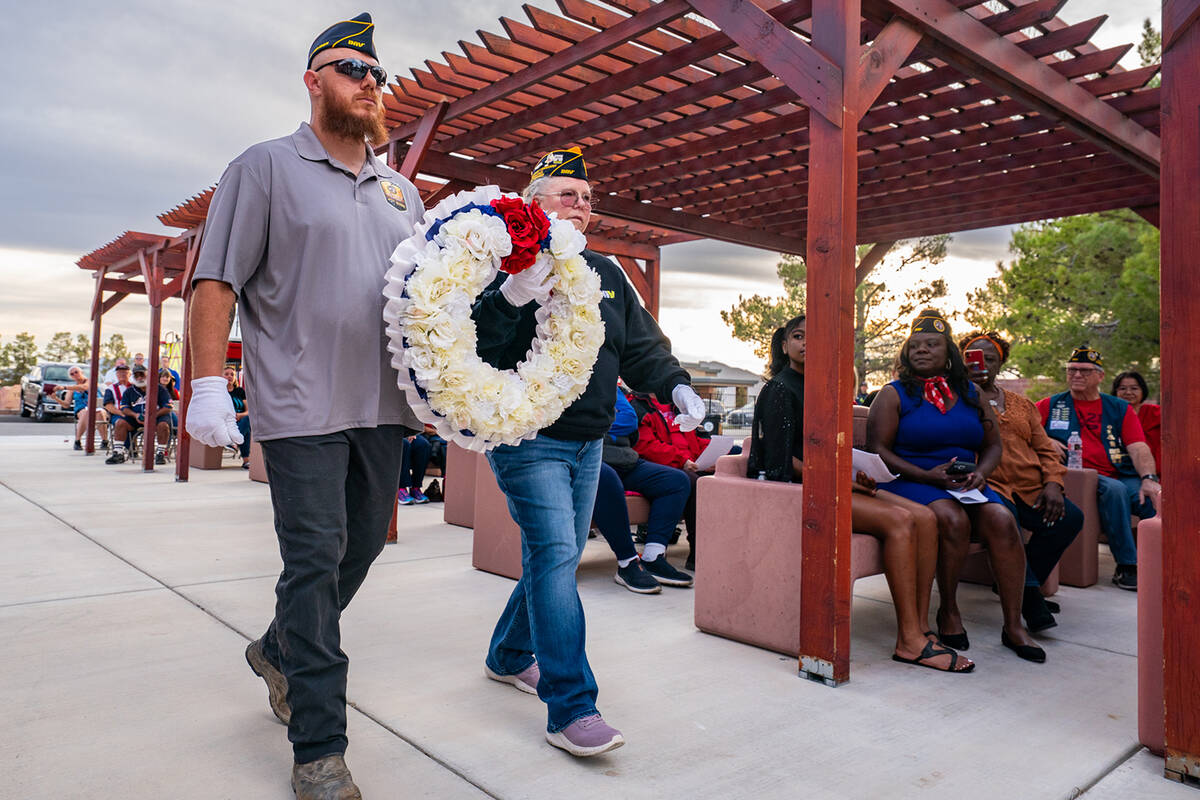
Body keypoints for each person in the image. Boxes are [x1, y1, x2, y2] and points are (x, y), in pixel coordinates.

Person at [185, 13, 424, 797]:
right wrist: (208, 382)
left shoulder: (403, 192)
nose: (368, 83)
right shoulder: (264, 167)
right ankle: (320, 748)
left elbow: (429, 303)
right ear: (314, 80)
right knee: (314, 562)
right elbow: (216, 279)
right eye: (351, 68)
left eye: (376, 74)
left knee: (362, 549)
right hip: (299, 403)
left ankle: (277, 651)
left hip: (382, 405)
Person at [472, 146, 706, 757]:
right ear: (533, 204)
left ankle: (507, 654)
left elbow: (642, 347)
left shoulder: (606, 271)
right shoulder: (500, 262)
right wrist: (512, 295)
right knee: (556, 555)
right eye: (567, 194)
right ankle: (571, 705)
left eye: (588, 198)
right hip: (528, 436)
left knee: (560, 552)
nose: (582, 206)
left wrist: (675, 382)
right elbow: (475, 342)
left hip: (591, 440)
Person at [751, 315, 971, 673]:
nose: (807, 342)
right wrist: (842, 483)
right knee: (900, 521)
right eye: (798, 336)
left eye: (816, 336)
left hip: (833, 484)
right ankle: (909, 642)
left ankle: (921, 626)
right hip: (798, 489)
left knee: (926, 517)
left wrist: (857, 475)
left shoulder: (826, 388)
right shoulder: (780, 388)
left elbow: (829, 450)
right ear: (785, 344)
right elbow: (781, 462)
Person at [868, 310, 1044, 663]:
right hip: (912, 480)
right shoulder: (893, 394)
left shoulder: (971, 392)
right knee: (952, 519)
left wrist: (982, 472)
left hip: (966, 482)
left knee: (1002, 520)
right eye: (914, 346)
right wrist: (928, 475)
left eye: (931, 344)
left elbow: (994, 445)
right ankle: (948, 610)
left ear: (948, 353)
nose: (921, 350)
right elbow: (878, 451)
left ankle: (1014, 626)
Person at [961, 331, 1083, 631]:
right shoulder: (957, 399)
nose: (982, 364)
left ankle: (1018, 584)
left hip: (1031, 488)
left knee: (1071, 519)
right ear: (963, 363)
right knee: (1006, 518)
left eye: (991, 358)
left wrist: (1054, 483)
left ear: (1001, 365)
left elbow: (1044, 449)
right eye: (974, 358)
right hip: (989, 486)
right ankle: (1029, 599)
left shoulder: (1022, 405)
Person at [1036, 347, 1160, 591]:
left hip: (1121, 472)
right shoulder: (1049, 405)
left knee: (1153, 499)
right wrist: (1044, 439)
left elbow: (1138, 447)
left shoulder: (1118, 407)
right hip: (1077, 475)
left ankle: (1162, 562)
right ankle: (1127, 565)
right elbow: (1022, 431)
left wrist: (1149, 477)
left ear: (1100, 376)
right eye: (1072, 370)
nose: (1077, 375)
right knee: (1115, 491)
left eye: (1085, 370)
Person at [597, 391, 693, 593]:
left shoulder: (610, 384)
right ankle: (627, 563)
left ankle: (653, 557)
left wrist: (597, 423)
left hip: (625, 459)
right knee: (607, 478)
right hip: (592, 460)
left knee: (676, 480)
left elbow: (630, 420)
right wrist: (605, 420)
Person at [110, 365, 173, 465]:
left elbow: (168, 406)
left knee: (163, 425)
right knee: (120, 422)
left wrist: (153, 415)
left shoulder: (159, 389)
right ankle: (118, 453)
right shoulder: (130, 391)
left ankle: (160, 453)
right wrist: (135, 415)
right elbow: (124, 408)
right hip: (136, 418)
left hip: (156, 418)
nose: (139, 378)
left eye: (142, 375)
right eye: (136, 375)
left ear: (147, 375)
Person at [1112, 370, 1161, 474]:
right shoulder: (1109, 414)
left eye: (1134, 388)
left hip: (1155, 471)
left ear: (1143, 391)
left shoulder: (1157, 413)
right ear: (1115, 392)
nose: (1128, 392)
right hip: (1119, 471)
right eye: (1122, 388)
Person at [60, 366, 107, 451]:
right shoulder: (72, 389)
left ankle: (104, 441)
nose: (75, 374)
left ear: (82, 372)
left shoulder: (91, 381)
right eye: (72, 374)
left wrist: (64, 387)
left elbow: (84, 387)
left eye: (76, 372)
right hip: (81, 408)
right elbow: (66, 404)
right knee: (85, 412)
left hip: (96, 405)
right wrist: (55, 398)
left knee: (100, 413)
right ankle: (77, 440)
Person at [224, 365, 251, 469]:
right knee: (247, 429)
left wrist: (240, 415)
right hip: (226, 421)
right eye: (226, 374)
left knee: (247, 421)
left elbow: (248, 411)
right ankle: (246, 460)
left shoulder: (240, 391)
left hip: (240, 420)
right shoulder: (220, 392)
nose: (229, 376)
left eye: (232, 374)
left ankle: (233, 442)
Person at [396, 434, 431, 504]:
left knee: (423, 445)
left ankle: (416, 487)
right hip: (391, 430)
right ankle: (401, 488)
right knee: (405, 443)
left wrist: (412, 432)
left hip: (408, 430)